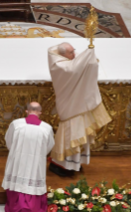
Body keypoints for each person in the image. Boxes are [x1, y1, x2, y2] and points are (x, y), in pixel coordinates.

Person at [47, 42, 112, 176]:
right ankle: (62, 164)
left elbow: (79, 66)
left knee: (81, 135)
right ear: (62, 54)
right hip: (70, 107)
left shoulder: (64, 59)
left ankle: (76, 163)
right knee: (70, 135)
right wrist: (88, 53)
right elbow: (73, 69)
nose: (74, 55)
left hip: (79, 105)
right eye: (71, 53)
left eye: (74, 51)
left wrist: (89, 56)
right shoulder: (59, 65)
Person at [2, 102, 55, 212]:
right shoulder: (47, 128)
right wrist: (39, 155)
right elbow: (49, 146)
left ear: (27, 111)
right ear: (40, 112)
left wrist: (16, 152)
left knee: (17, 178)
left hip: (18, 161)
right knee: (33, 179)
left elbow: (9, 141)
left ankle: (16, 205)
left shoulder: (16, 124)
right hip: (36, 162)